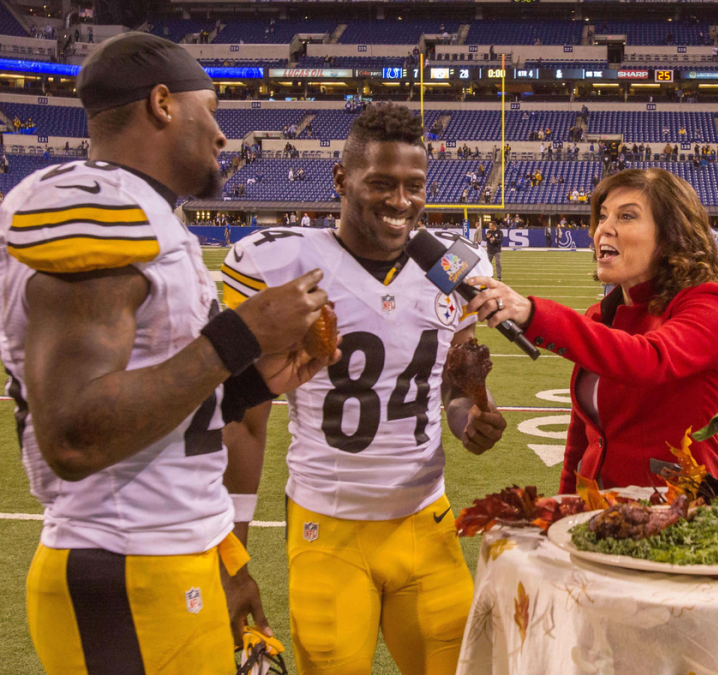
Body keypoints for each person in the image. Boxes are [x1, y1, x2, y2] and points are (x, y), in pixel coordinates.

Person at [7, 33, 335, 673]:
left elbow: (157, 403)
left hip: (169, 551)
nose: (221, 135)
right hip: (123, 561)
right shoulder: (94, 207)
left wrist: (251, 385)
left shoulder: (151, 215)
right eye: (209, 109)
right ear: (162, 104)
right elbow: (73, 434)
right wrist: (241, 334)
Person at [222, 104, 507, 674]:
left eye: (413, 186)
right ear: (341, 180)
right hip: (327, 527)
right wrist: (232, 560)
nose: (400, 201)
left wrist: (465, 417)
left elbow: (452, 384)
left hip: (426, 521)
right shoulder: (278, 263)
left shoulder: (451, 263)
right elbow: (245, 420)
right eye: (381, 183)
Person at [463, 168, 718, 492]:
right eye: (603, 216)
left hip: (680, 514)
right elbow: (581, 437)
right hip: (600, 517)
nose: (603, 229)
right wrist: (566, 505)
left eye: (626, 217)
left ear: (669, 235)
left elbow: (648, 360)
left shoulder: (710, 302)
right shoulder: (601, 316)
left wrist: (532, 313)